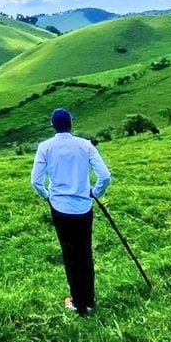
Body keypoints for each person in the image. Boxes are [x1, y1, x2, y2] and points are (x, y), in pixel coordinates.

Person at [31, 108, 111, 316]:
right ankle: (89, 301)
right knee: (85, 253)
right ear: (71, 124)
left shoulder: (44, 147)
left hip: (60, 208)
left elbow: (36, 181)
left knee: (70, 255)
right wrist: (95, 191)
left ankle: (77, 302)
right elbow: (105, 175)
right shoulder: (85, 145)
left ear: (52, 126)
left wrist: (47, 195)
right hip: (84, 207)